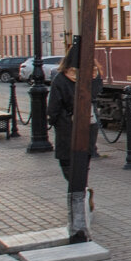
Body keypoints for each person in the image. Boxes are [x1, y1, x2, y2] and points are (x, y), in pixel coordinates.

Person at [46, 52, 94, 210]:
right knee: (83, 161)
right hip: (89, 123)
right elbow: (97, 92)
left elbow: (54, 105)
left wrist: (52, 120)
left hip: (67, 125)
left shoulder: (60, 79)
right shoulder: (91, 75)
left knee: (66, 161)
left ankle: (81, 192)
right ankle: (83, 192)